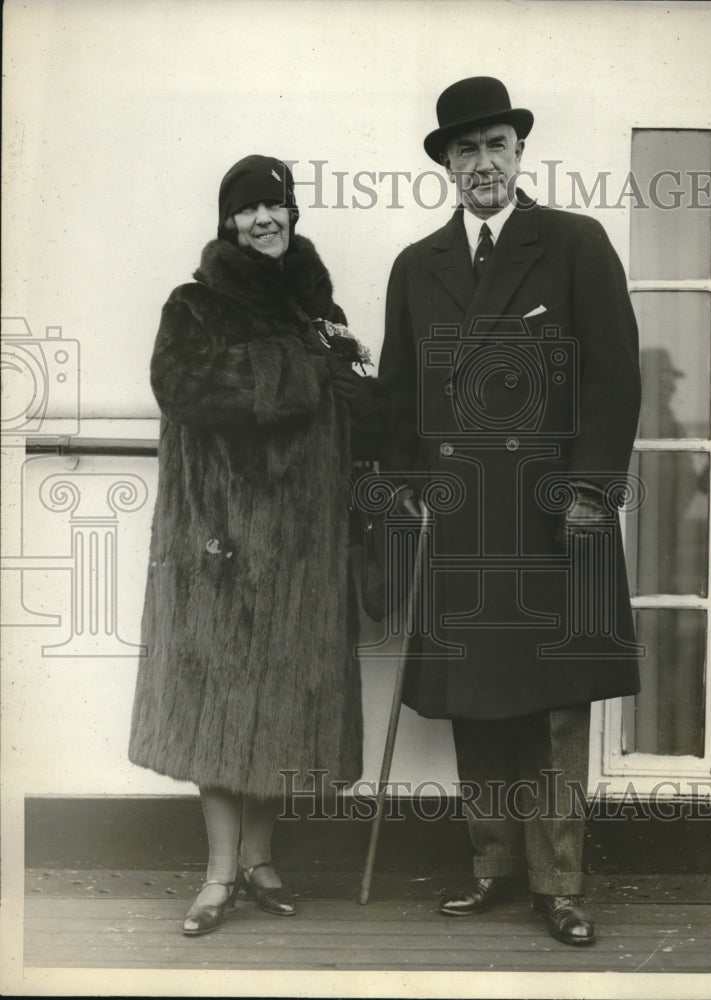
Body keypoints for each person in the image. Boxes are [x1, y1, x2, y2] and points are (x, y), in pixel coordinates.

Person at [377, 77, 642, 945]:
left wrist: (590, 492)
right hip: (464, 520)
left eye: (496, 144)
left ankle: (560, 886)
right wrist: (407, 485)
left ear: (520, 152)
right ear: (447, 165)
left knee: (558, 706)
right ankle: (492, 868)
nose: (482, 162)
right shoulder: (417, 266)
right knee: (477, 696)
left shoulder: (573, 242)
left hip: (555, 515)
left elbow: (614, 377)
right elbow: (398, 393)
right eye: (466, 149)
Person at [128, 154, 374, 936]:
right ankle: (217, 874)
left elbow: (353, 403)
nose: (264, 219)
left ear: (293, 214)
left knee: (286, 708)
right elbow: (182, 386)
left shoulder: (320, 311)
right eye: (247, 209)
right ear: (228, 221)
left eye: (276, 205)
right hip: (221, 549)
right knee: (218, 707)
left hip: (304, 550)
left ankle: (262, 863)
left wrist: (357, 382)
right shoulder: (194, 305)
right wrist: (305, 368)